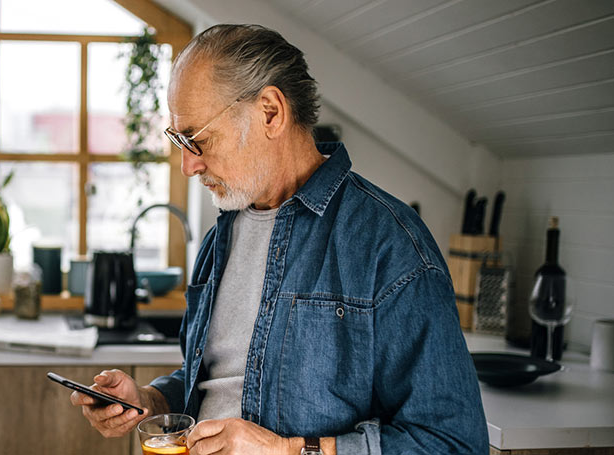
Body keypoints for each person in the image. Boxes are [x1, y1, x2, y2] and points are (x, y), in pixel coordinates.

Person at [69, 24, 488, 454]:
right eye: (179, 139)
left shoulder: (392, 246)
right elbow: (215, 380)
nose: (187, 166)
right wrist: (150, 401)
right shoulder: (221, 237)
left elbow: (453, 442)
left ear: (270, 112)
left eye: (198, 139)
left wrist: (288, 450)